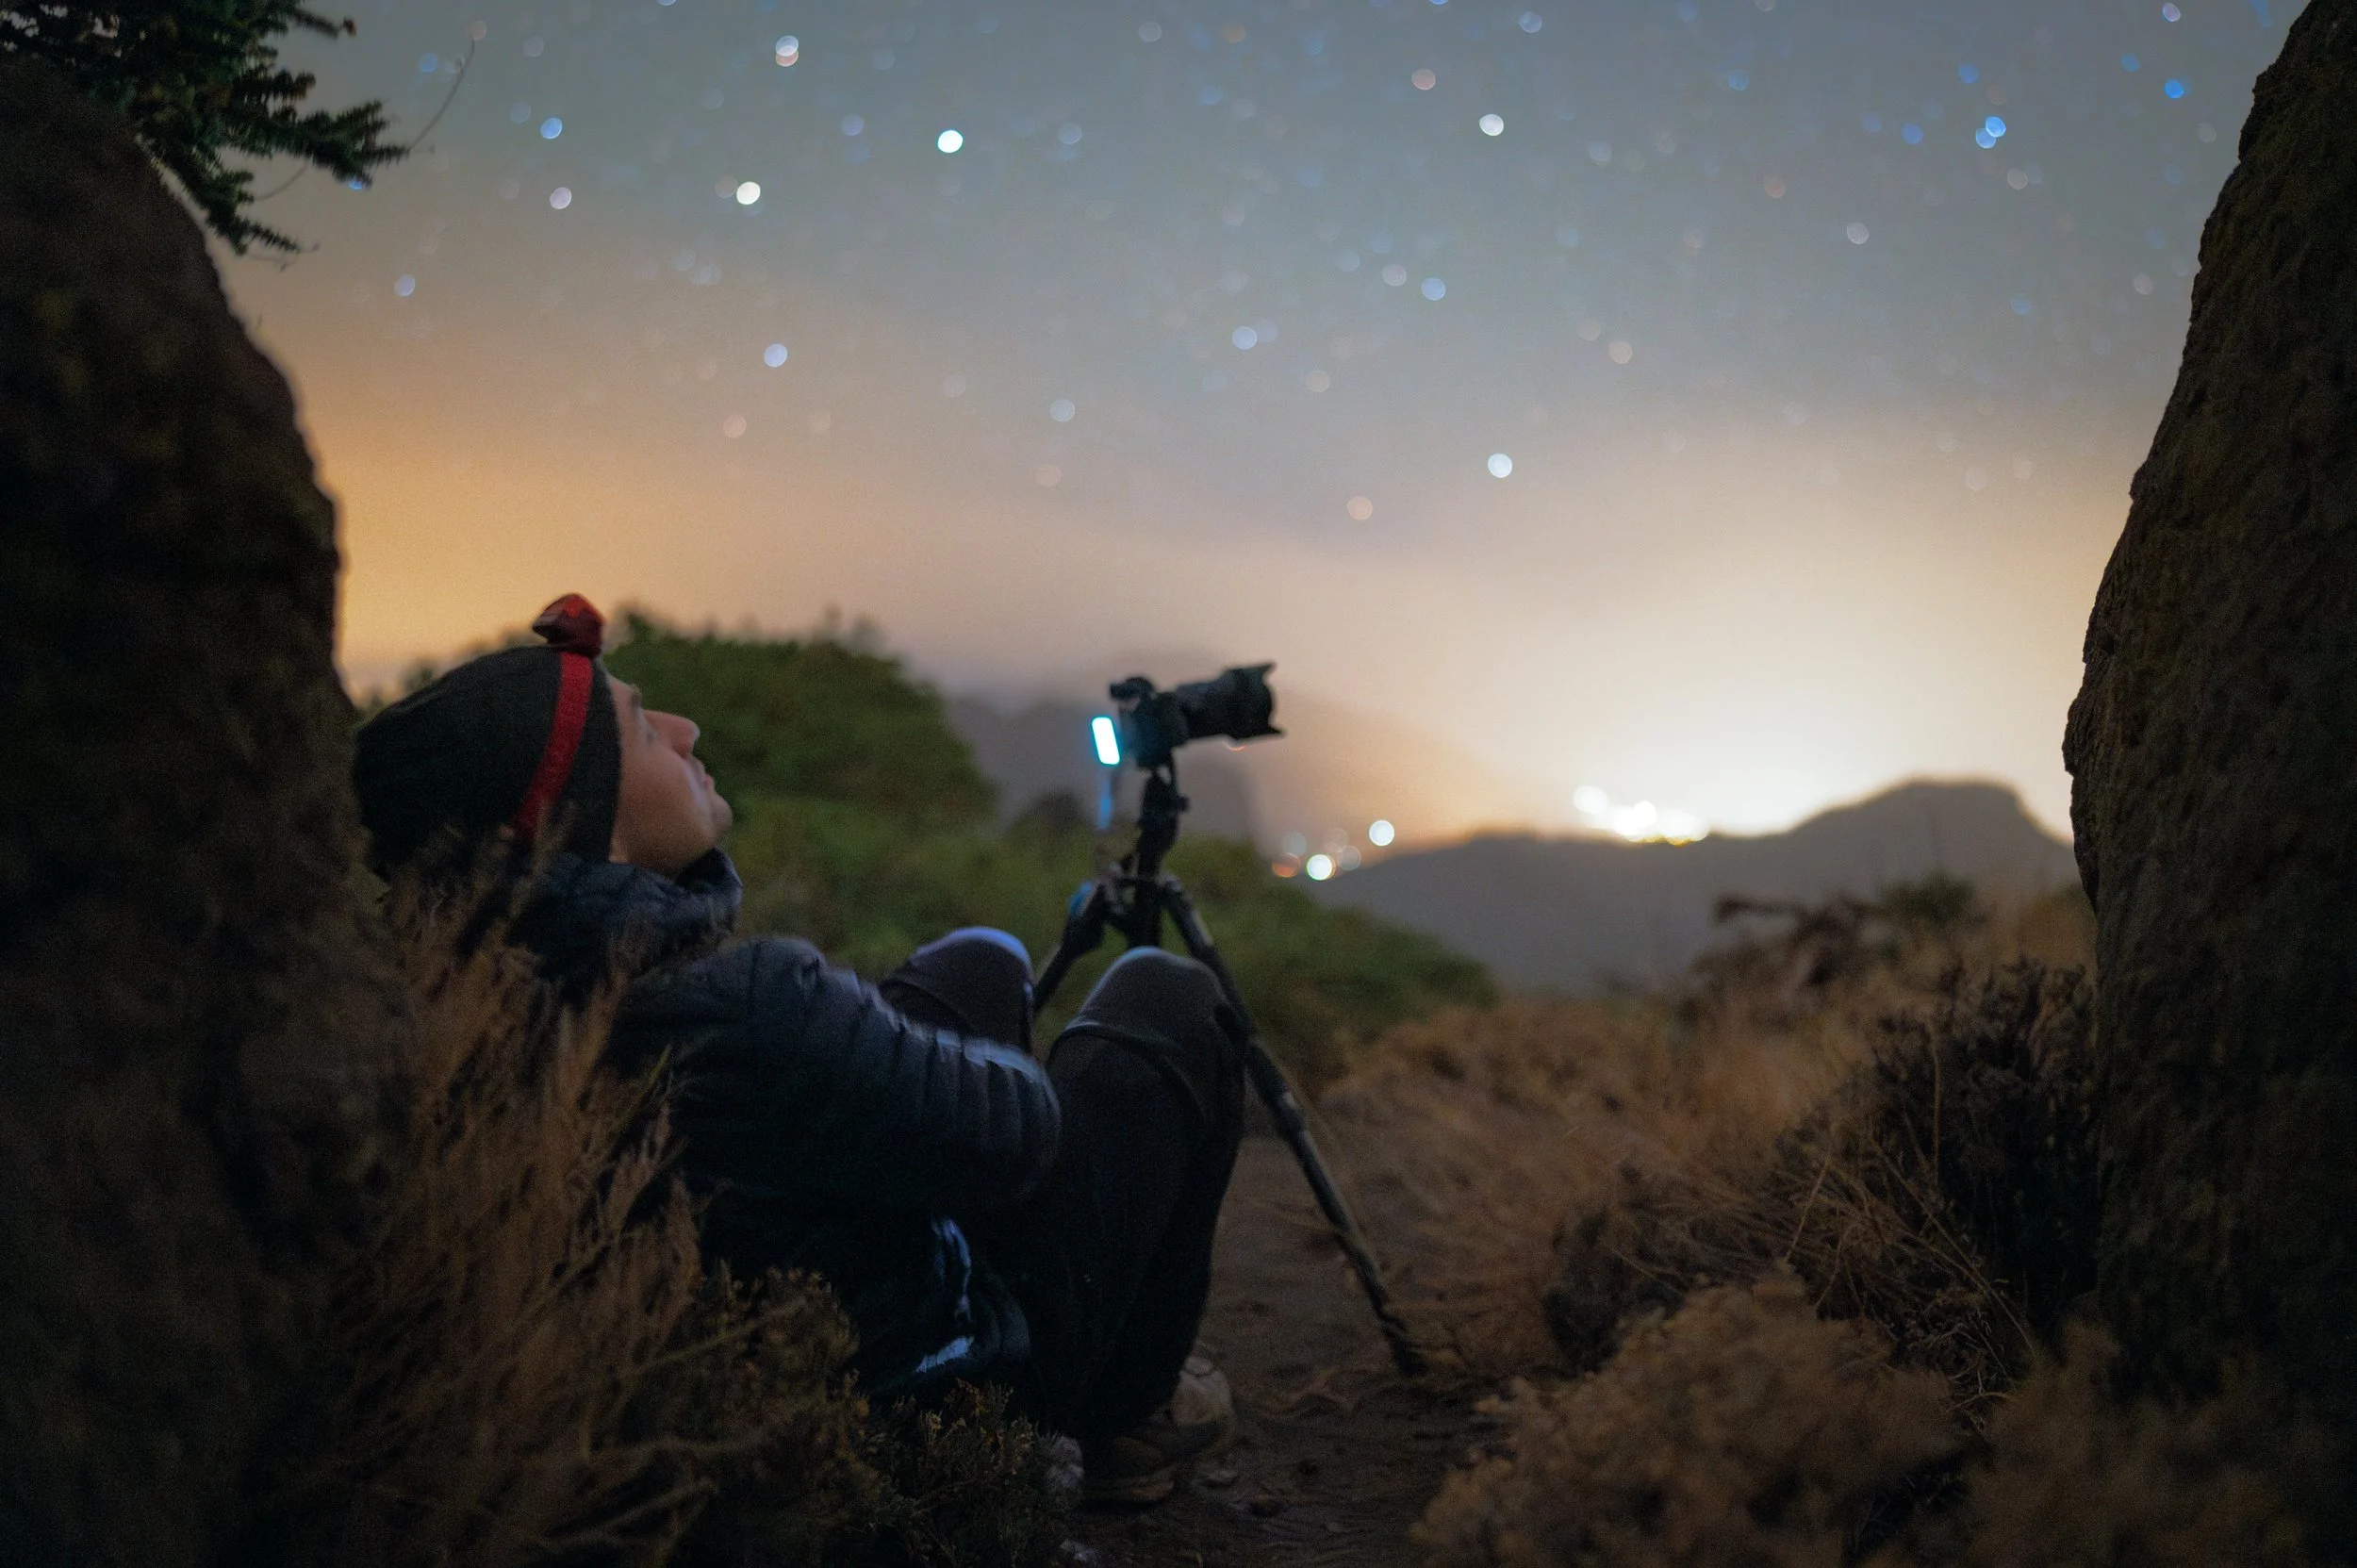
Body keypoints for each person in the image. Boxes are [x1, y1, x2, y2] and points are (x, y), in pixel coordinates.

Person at [351, 594, 1244, 1505]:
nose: (686, 727)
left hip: (775, 1342)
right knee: (1169, 994)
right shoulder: (746, 1005)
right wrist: (909, 1056)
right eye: (644, 735)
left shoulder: (469, 1011)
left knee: (982, 959)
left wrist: (870, 1060)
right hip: (940, 1385)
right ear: (596, 834)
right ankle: (1125, 1413)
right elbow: (1020, 1130)